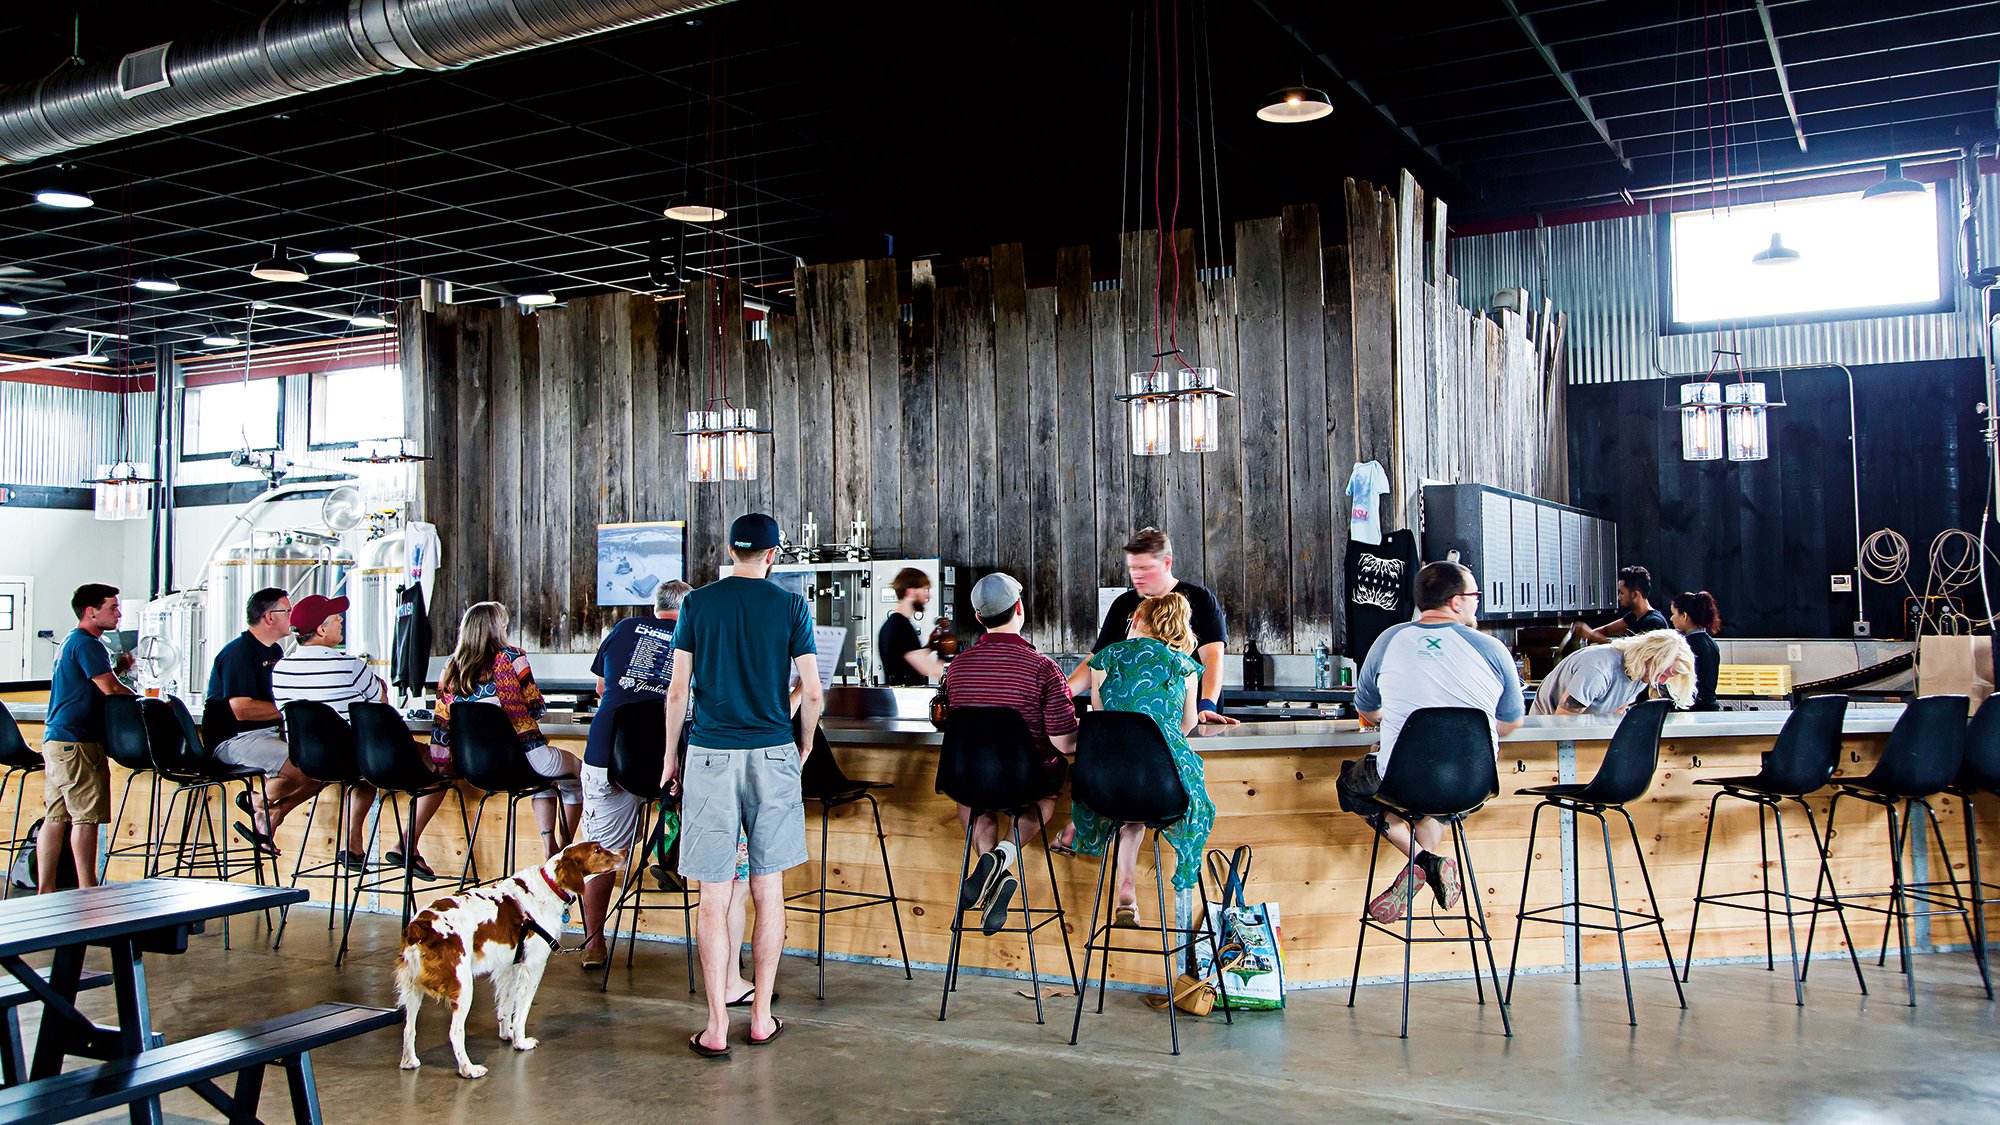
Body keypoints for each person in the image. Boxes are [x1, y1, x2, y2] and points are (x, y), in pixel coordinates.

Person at [662, 512, 820, 1057]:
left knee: (713, 891)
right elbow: (813, 692)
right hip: (772, 752)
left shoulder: (696, 605)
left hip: (708, 754)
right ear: (773, 555)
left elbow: (678, 693)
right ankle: (760, 1018)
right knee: (767, 888)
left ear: (729, 550)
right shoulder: (790, 606)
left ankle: (714, 1026)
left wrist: (669, 757)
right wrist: (802, 742)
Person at [574, 579, 755, 977]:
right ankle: (723, 950)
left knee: (603, 849)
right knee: (719, 839)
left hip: (609, 756)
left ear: (655, 607)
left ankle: (594, 944)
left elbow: (603, 688)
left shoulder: (622, 629)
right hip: (679, 764)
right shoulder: (699, 636)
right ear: (690, 608)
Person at [1340, 563, 1525, 923]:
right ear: (1456, 602)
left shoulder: (1389, 639)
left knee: (1351, 786)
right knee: (1434, 808)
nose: (1476, 604)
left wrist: (1404, 726)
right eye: (1474, 597)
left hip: (1400, 779)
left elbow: (1366, 708)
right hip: (1474, 782)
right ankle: (1427, 861)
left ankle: (1424, 863)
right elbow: (1510, 722)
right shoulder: (1492, 648)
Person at [943, 572, 1079, 935]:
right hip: (1026, 781)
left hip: (972, 779)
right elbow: (1065, 743)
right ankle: (1004, 857)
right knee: (1045, 798)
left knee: (974, 802)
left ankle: (990, 868)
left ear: (978, 619)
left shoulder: (956, 669)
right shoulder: (1043, 668)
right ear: (1019, 609)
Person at [1069, 593, 1211, 927]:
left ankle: (1125, 885)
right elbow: (1187, 724)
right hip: (1163, 786)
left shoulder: (1105, 659)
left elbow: (1103, 717)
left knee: (1129, 810)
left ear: (1135, 621)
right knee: (1147, 799)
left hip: (1105, 781)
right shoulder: (1184, 666)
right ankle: (1130, 887)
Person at [268, 594, 411, 872]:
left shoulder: (280, 669)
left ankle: (352, 844)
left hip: (307, 761)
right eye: (336, 618)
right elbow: (380, 703)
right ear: (321, 630)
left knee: (362, 770)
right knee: (371, 766)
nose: (341, 620)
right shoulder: (350, 665)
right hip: (354, 759)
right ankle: (361, 841)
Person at [432, 602, 581, 861]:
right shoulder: (512, 657)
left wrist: (442, 761)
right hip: (525, 758)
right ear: (496, 628)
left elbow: (441, 722)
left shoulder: (451, 666)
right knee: (580, 773)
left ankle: (550, 846)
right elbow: (536, 709)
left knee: (544, 782)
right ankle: (562, 852)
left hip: (475, 769)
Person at [1069, 527, 1239, 727]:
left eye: (1144, 568)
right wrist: (1061, 694)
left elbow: (1212, 656)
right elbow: (1095, 660)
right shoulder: (1123, 604)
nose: (1136, 575)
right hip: (1137, 724)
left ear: (1166, 563)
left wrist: (1208, 705)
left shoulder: (1200, 599)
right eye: (1133, 568)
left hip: (1193, 716)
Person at [37, 583, 134, 892]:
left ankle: (46, 890)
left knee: (56, 816)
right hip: (78, 741)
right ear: (91, 612)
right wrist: (144, 700)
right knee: (85, 818)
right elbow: (110, 689)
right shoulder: (89, 644)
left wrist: (118, 666)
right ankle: (87, 890)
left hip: (57, 739)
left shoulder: (72, 641)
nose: (118, 614)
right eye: (112, 608)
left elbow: (89, 680)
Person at [206, 587, 302, 857]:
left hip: (266, 735)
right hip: (233, 739)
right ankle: (256, 801)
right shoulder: (239, 653)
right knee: (303, 764)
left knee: (320, 765)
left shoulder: (274, 652)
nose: (292, 615)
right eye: (287, 610)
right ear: (270, 617)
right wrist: (288, 710)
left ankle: (267, 812)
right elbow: (243, 709)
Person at [1530, 630, 1696, 716]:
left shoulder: (1641, 674)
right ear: (1649, 655)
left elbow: (1616, 713)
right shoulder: (1599, 667)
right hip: (1547, 736)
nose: (1661, 681)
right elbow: (1563, 720)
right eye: (1663, 673)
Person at [877, 567, 945, 686]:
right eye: (925, 590)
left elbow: (907, 658)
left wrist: (930, 646)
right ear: (910, 592)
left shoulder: (893, 624)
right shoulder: (900, 626)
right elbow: (928, 668)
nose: (928, 597)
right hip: (907, 701)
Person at [1571, 565, 1670, 644]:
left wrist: (1592, 636)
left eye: (1622, 593)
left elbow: (1627, 648)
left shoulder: (1654, 622)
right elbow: (1606, 630)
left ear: (1635, 594)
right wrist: (1586, 633)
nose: (1619, 597)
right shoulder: (1634, 617)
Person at [1670, 591, 1723, 712]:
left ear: (1684, 616)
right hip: (1710, 708)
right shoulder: (1711, 643)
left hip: (1692, 710)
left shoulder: (1685, 645)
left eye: (1673, 613)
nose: (1671, 618)